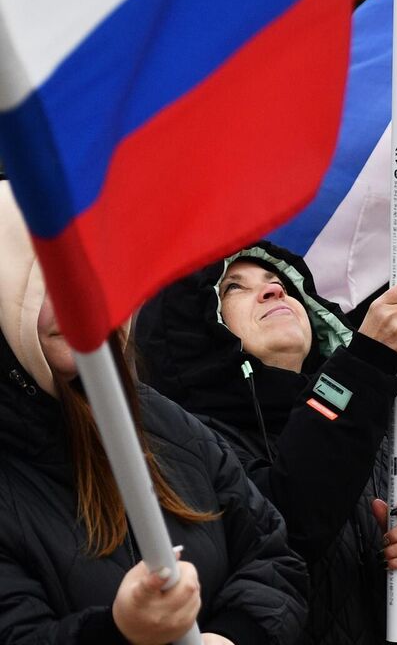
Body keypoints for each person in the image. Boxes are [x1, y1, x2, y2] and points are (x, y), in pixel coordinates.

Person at [134, 242, 397, 645]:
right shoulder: (186, 451)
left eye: (278, 281)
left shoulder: (385, 447)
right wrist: (365, 363)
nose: (273, 290)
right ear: (195, 333)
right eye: (234, 288)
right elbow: (287, 530)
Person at [0, 190, 307, 644]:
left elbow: (274, 556)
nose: (81, 299)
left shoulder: (169, 424)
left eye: (97, 274)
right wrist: (121, 631)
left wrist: (232, 635)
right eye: (46, 279)